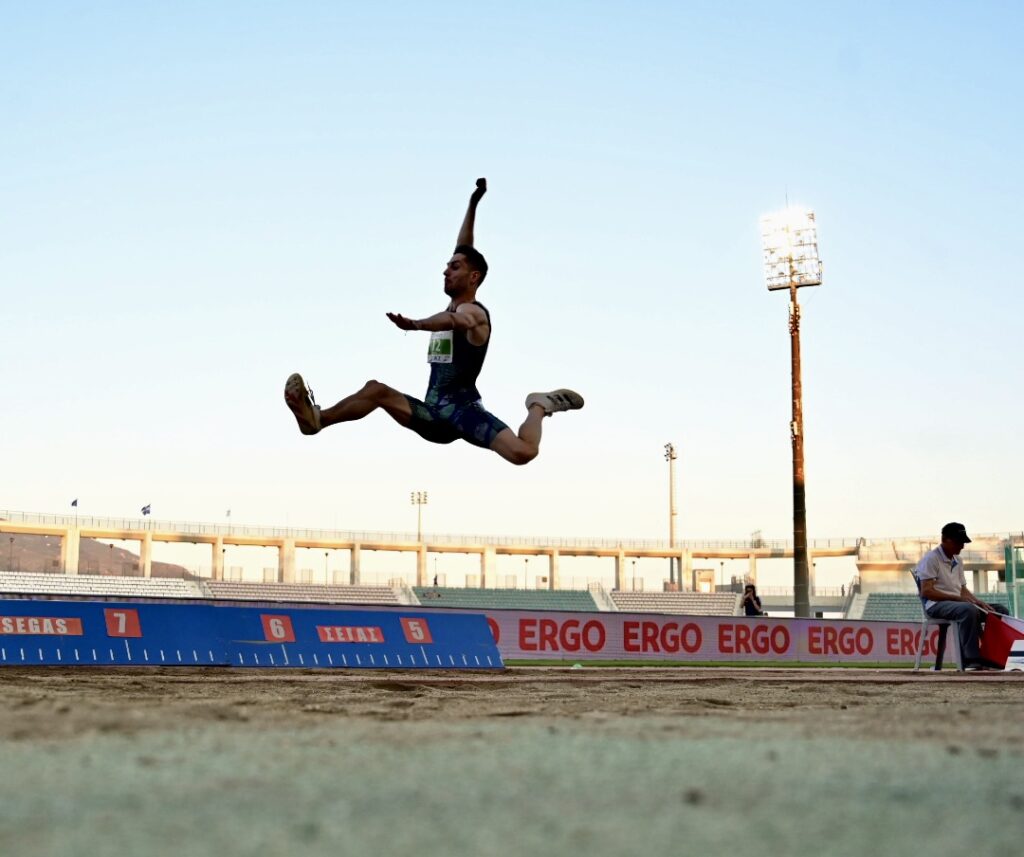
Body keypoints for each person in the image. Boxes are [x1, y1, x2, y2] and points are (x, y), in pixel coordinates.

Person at [284, 178, 583, 464]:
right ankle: (317, 420)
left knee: (524, 453)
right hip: (432, 413)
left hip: (463, 414)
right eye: (447, 266)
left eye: (454, 267)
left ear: (473, 277)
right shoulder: (455, 302)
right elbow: (464, 244)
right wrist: (473, 202)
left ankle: (539, 405)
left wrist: (416, 324)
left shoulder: (474, 314)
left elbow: (452, 322)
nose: (445, 271)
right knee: (375, 389)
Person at [916, 522, 1009, 670]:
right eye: (959, 542)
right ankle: (970, 659)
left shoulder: (958, 560)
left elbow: (963, 590)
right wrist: (958, 599)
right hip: (935, 605)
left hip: (958, 603)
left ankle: (991, 655)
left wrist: (978, 602)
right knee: (967, 610)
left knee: (998, 610)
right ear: (945, 540)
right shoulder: (931, 559)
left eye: (963, 542)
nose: (962, 546)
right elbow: (926, 592)